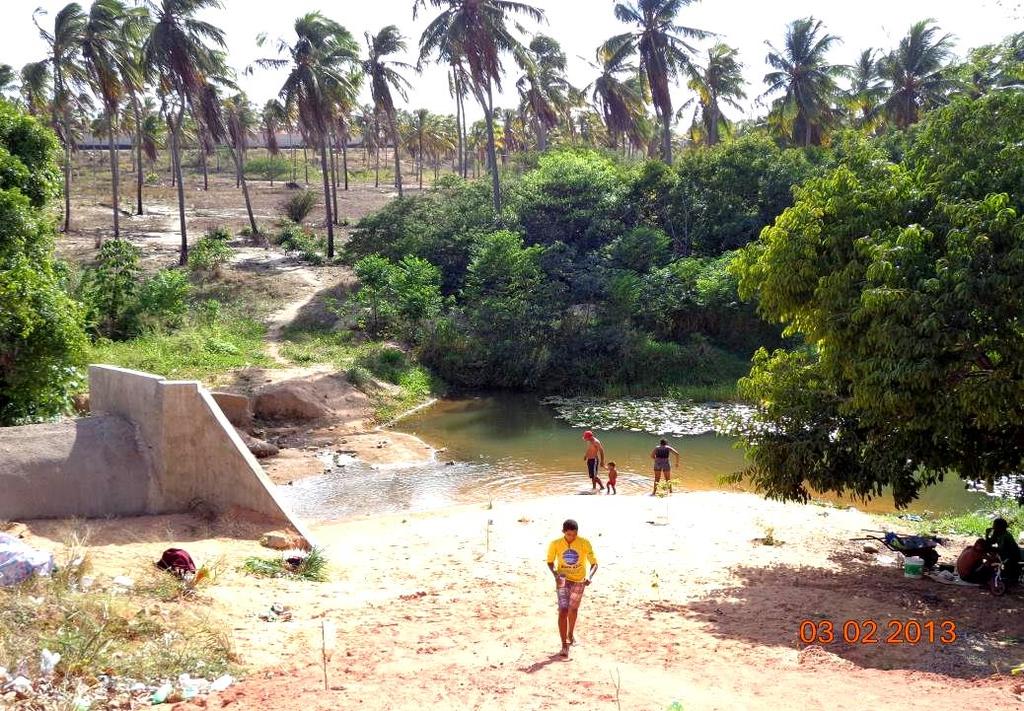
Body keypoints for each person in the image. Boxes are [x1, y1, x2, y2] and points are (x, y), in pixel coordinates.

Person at [546, 519, 598, 659]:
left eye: (574, 534)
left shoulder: (584, 543)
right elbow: (550, 562)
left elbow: (594, 564)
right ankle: (564, 644)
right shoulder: (555, 544)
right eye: (568, 534)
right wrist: (556, 574)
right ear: (563, 532)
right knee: (563, 611)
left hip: (579, 581)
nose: (571, 537)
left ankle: (570, 633)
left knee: (573, 610)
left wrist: (589, 576)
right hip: (563, 579)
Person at [985, 517, 1021, 586]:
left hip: (1012, 555)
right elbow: (990, 542)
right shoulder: (997, 533)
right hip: (1004, 553)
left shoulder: (1006, 536)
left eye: (995, 525)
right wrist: (987, 534)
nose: (993, 527)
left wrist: (991, 548)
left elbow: (1001, 549)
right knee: (988, 548)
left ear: (1001, 527)